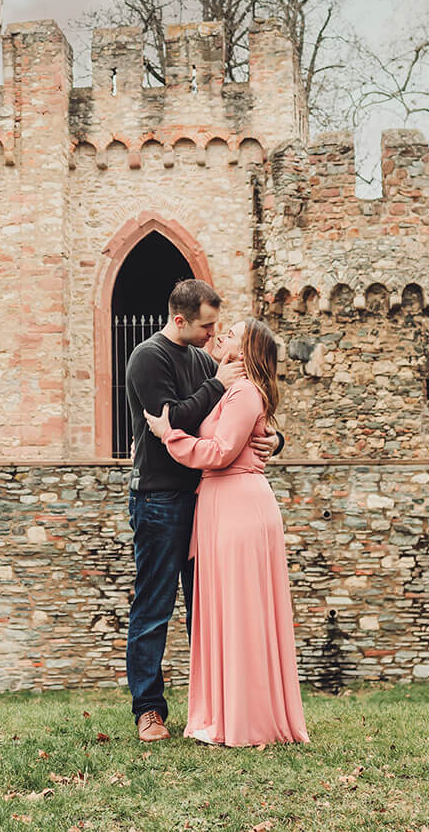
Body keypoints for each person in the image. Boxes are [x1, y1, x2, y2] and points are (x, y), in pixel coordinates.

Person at [145, 317, 308, 748]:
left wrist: (168, 436)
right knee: (223, 611)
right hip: (219, 504)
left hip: (237, 506)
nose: (221, 335)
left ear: (245, 350)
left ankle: (247, 719)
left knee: (241, 612)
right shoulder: (219, 379)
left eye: (231, 333)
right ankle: (222, 712)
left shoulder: (243, 389)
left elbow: (220, 451)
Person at [122, 278, 269, 743]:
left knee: (207, 609)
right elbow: (174, 418)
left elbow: (229, 423)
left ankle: (213, 709)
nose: (213, 334)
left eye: (217, 326)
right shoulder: (149, 358)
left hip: (208, 500)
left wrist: (272, 439)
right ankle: (149, 711)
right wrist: (215, 384)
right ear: (180, 320)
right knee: (154, 606)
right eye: (206, 326)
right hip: (160, 498)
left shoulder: (204, 360)